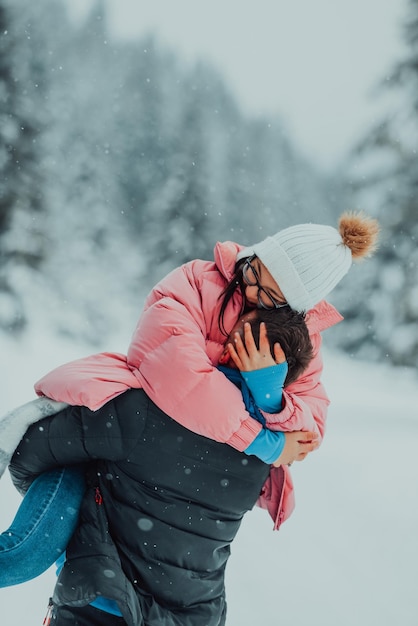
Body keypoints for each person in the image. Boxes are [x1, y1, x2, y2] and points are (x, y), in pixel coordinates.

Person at [7, 212, 379, 624]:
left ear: (293, 308)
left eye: (270, 296)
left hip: (139, 456)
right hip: (151, 424)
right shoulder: (198, 282)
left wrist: (271, 398)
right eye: (255, 270)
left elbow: (309, 431)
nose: (252, 291)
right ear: (256, 252)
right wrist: (262, 438)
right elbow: (174, 372)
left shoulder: (300, 339)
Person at [0, 306, 314, 588]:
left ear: (236, 348)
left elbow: (31, 448)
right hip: (196, 614)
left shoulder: (148, 407)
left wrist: (75, 488)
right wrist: (270, 398)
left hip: (103, 600)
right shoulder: (266, 459)